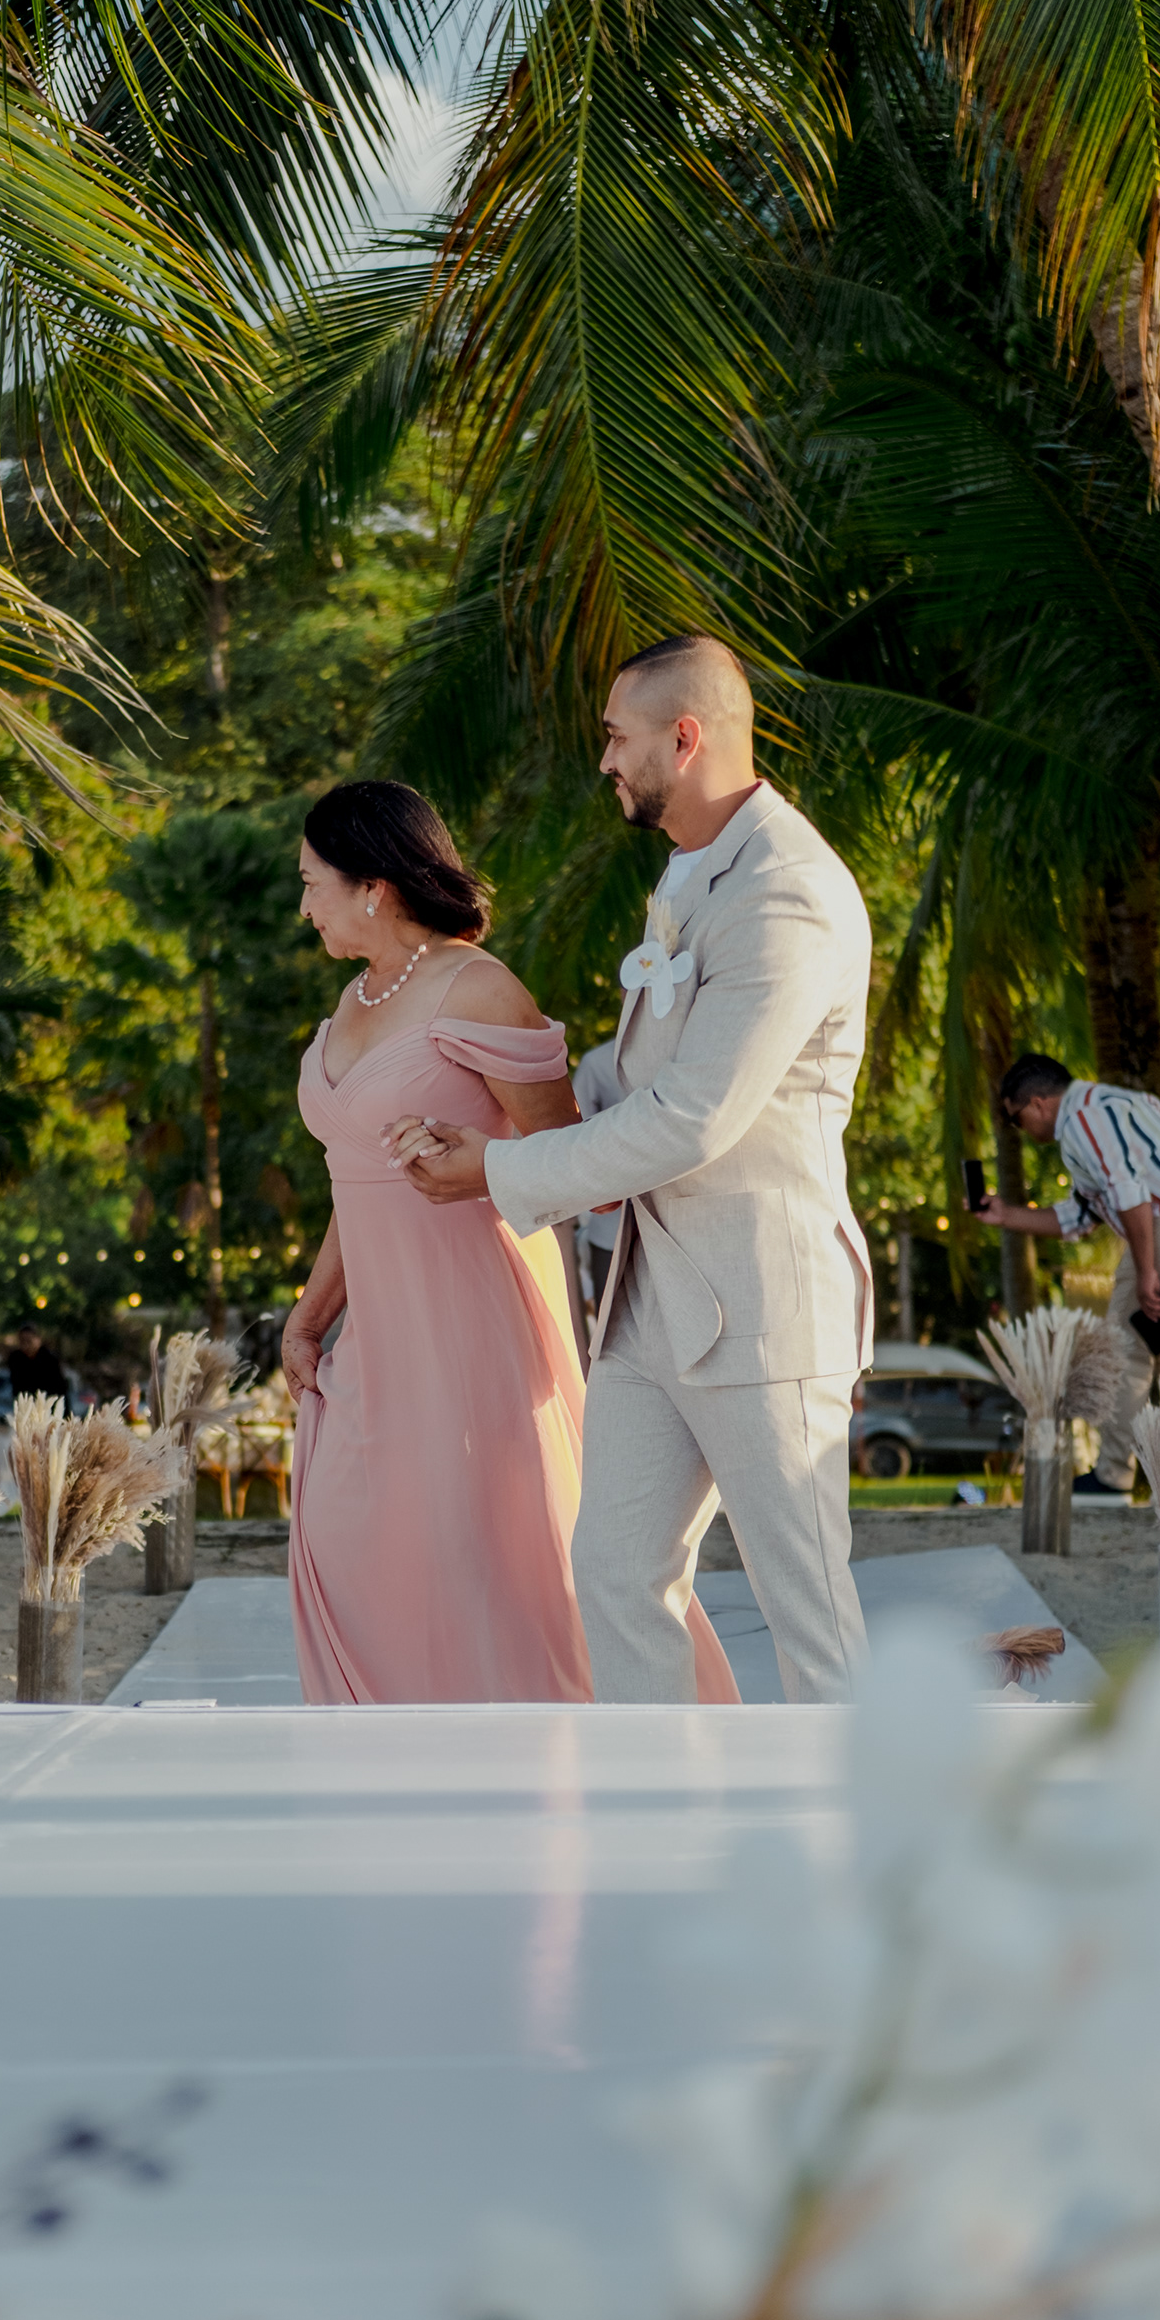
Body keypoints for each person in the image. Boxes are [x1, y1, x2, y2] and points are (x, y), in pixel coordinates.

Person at [387, 635, 874, 1705]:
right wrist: (507, 1097)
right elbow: (637, 1073)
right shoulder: (692, 872)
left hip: (761, 1308)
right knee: (615, 1576)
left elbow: (694, 1118)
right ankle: (663, 1795)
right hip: (650, 1302)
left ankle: (864, 1812)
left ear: (684, 738)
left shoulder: (786, 892)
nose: (604, 760)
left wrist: (503, 1168)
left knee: (809, 1609)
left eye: (617, 737)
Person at [285, 777, 737, 1706]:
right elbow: (356, 1182)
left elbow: (572, 1159)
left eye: (311, 883)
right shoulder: (354, 997)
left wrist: (480, 1161)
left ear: (373, 887)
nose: (304, 906)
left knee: (483, 1559)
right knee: (350, 1539)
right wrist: (311, 1312)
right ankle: (396, 1759)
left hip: (471, 1320)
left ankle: (549, 1743)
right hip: (377, 1332)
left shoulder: (480, 989)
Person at [975, 1053, 1160, 1495]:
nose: (1022, 1131)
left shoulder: (1081, 1119)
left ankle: (1112, 1477)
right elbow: (1079, 1217)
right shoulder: (1127, 1104)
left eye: (1017, 1120)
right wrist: (1005, 1215)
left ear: (1037, 1104)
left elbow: (1128, 1190)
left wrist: (1147, 1270)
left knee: (1125, 1352)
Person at [571, 1039, 626, 1319]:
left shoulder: (687, 1053)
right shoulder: (597, 1063)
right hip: (610, 1235)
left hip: (676, 1232)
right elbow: (573, 1143)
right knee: (611, 1326)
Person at [3, 1320, 71, 1405]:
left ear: (38, 1339)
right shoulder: (16, 1359)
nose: (26, 1346)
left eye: (29, 1341)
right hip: (25, 1404)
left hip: (48, 1403)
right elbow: (17, 1386)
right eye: (22, 1341)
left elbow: (60, 1388)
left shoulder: (50, 1359)